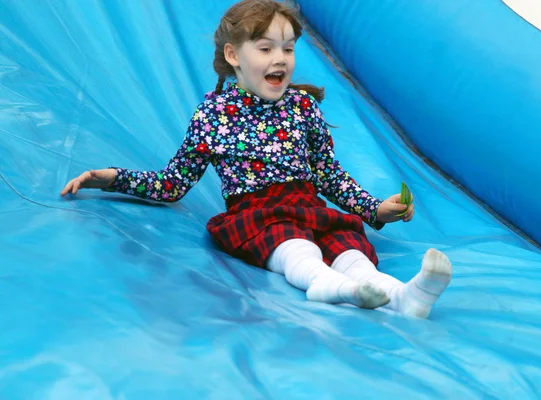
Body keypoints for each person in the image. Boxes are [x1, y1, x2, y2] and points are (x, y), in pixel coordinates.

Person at [60, 0, 452, 318]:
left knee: (347, 246)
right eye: (265, 48)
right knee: (296, 245)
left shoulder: (301, 107)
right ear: (234, 55)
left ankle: (401, 296)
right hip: (258, 212)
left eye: (287, 48)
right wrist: (111, 178)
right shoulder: (214, 114)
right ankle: (326, 285)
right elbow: (173, 183)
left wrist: (374, 209)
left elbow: (329, 174)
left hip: (308, 205)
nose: (279, 58)